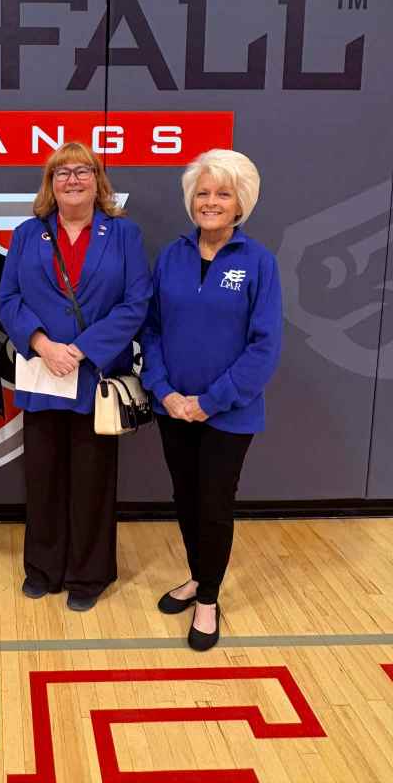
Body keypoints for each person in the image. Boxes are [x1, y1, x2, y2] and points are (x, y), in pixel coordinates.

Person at [0, 142, 151, 612]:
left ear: (98, 180)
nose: (72, 179)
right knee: (42, 479)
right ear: (50, 183)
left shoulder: (123, 234)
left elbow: (136, 303)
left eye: (82, 170)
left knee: (92, 481)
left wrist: (82, 350)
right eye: (61, 172)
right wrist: (42, 344)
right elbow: (7, 298)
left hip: (95, 377)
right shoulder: (28, 233)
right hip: (42, 374)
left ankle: (89, 574)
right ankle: (43, 569)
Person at [141, 149, 282, 651]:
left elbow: (264, 346)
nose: (211, 202)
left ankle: (207, 599)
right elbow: (151, 330)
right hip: (173, 408)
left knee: (214, 505)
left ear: (241, 202)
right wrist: (165, 391)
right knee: (185, 498)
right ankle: (199, 575)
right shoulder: (172, 257)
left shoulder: (259, 262)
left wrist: (210, 400)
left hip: (229, 413)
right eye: (202, 193)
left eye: (223, 193)